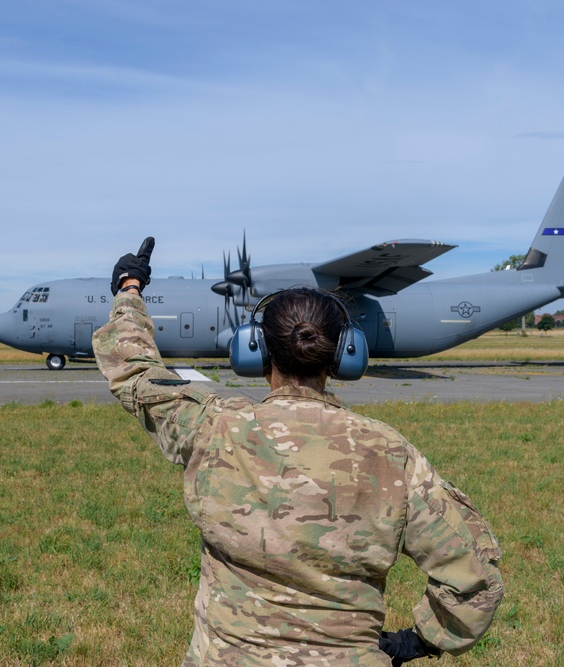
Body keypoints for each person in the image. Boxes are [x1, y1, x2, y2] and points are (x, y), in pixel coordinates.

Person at [93, 238, 504, 666]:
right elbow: (475, 578)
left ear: (254, 350)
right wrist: (419, 641)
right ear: (346, 355)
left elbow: (135, 371)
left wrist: (129, 289)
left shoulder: (214, 428)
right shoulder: (392, 456)